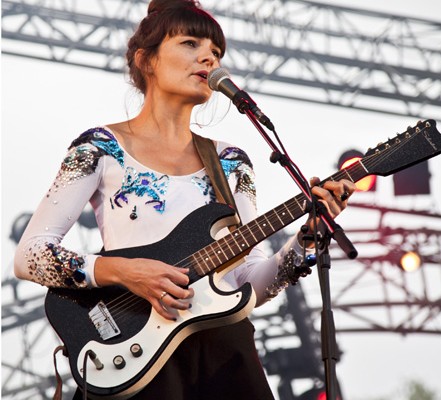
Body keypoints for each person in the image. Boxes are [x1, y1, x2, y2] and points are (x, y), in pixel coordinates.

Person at [14, 0, 356, 399]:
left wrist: (306, 241)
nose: (208, 57)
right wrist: (125, 272)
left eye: (216, 51)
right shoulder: (101, 147)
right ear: (146, 60)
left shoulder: (231, 162)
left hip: (226, 354)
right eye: (190, 43)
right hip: (140, 350)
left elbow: (251, 282)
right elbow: (30, 255)